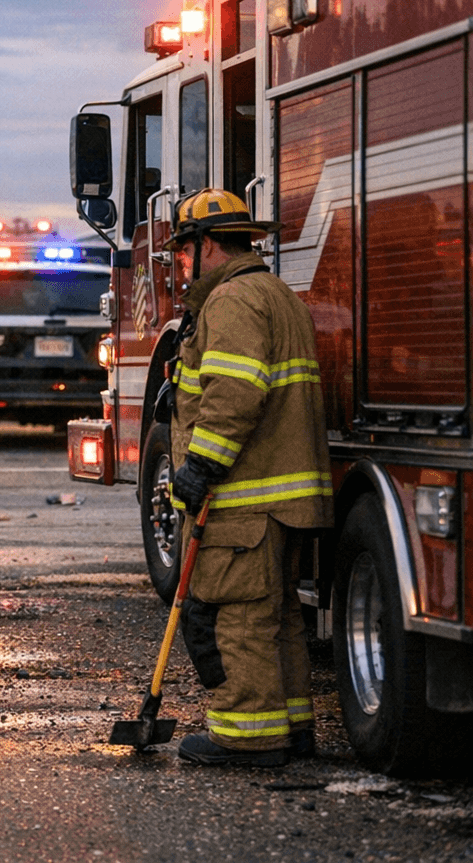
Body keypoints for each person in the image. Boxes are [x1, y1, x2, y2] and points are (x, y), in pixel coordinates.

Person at [163, 188, 331, 768]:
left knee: (237, 613)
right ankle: (292, 727)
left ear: (208, 245)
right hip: (281, 497)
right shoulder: (274, 292)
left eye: (184, 253)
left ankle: (248, 736)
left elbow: (234, 394)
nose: (181, 267)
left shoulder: (232, 301)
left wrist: (201, 465)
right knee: (277, 613)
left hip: (244, 496)